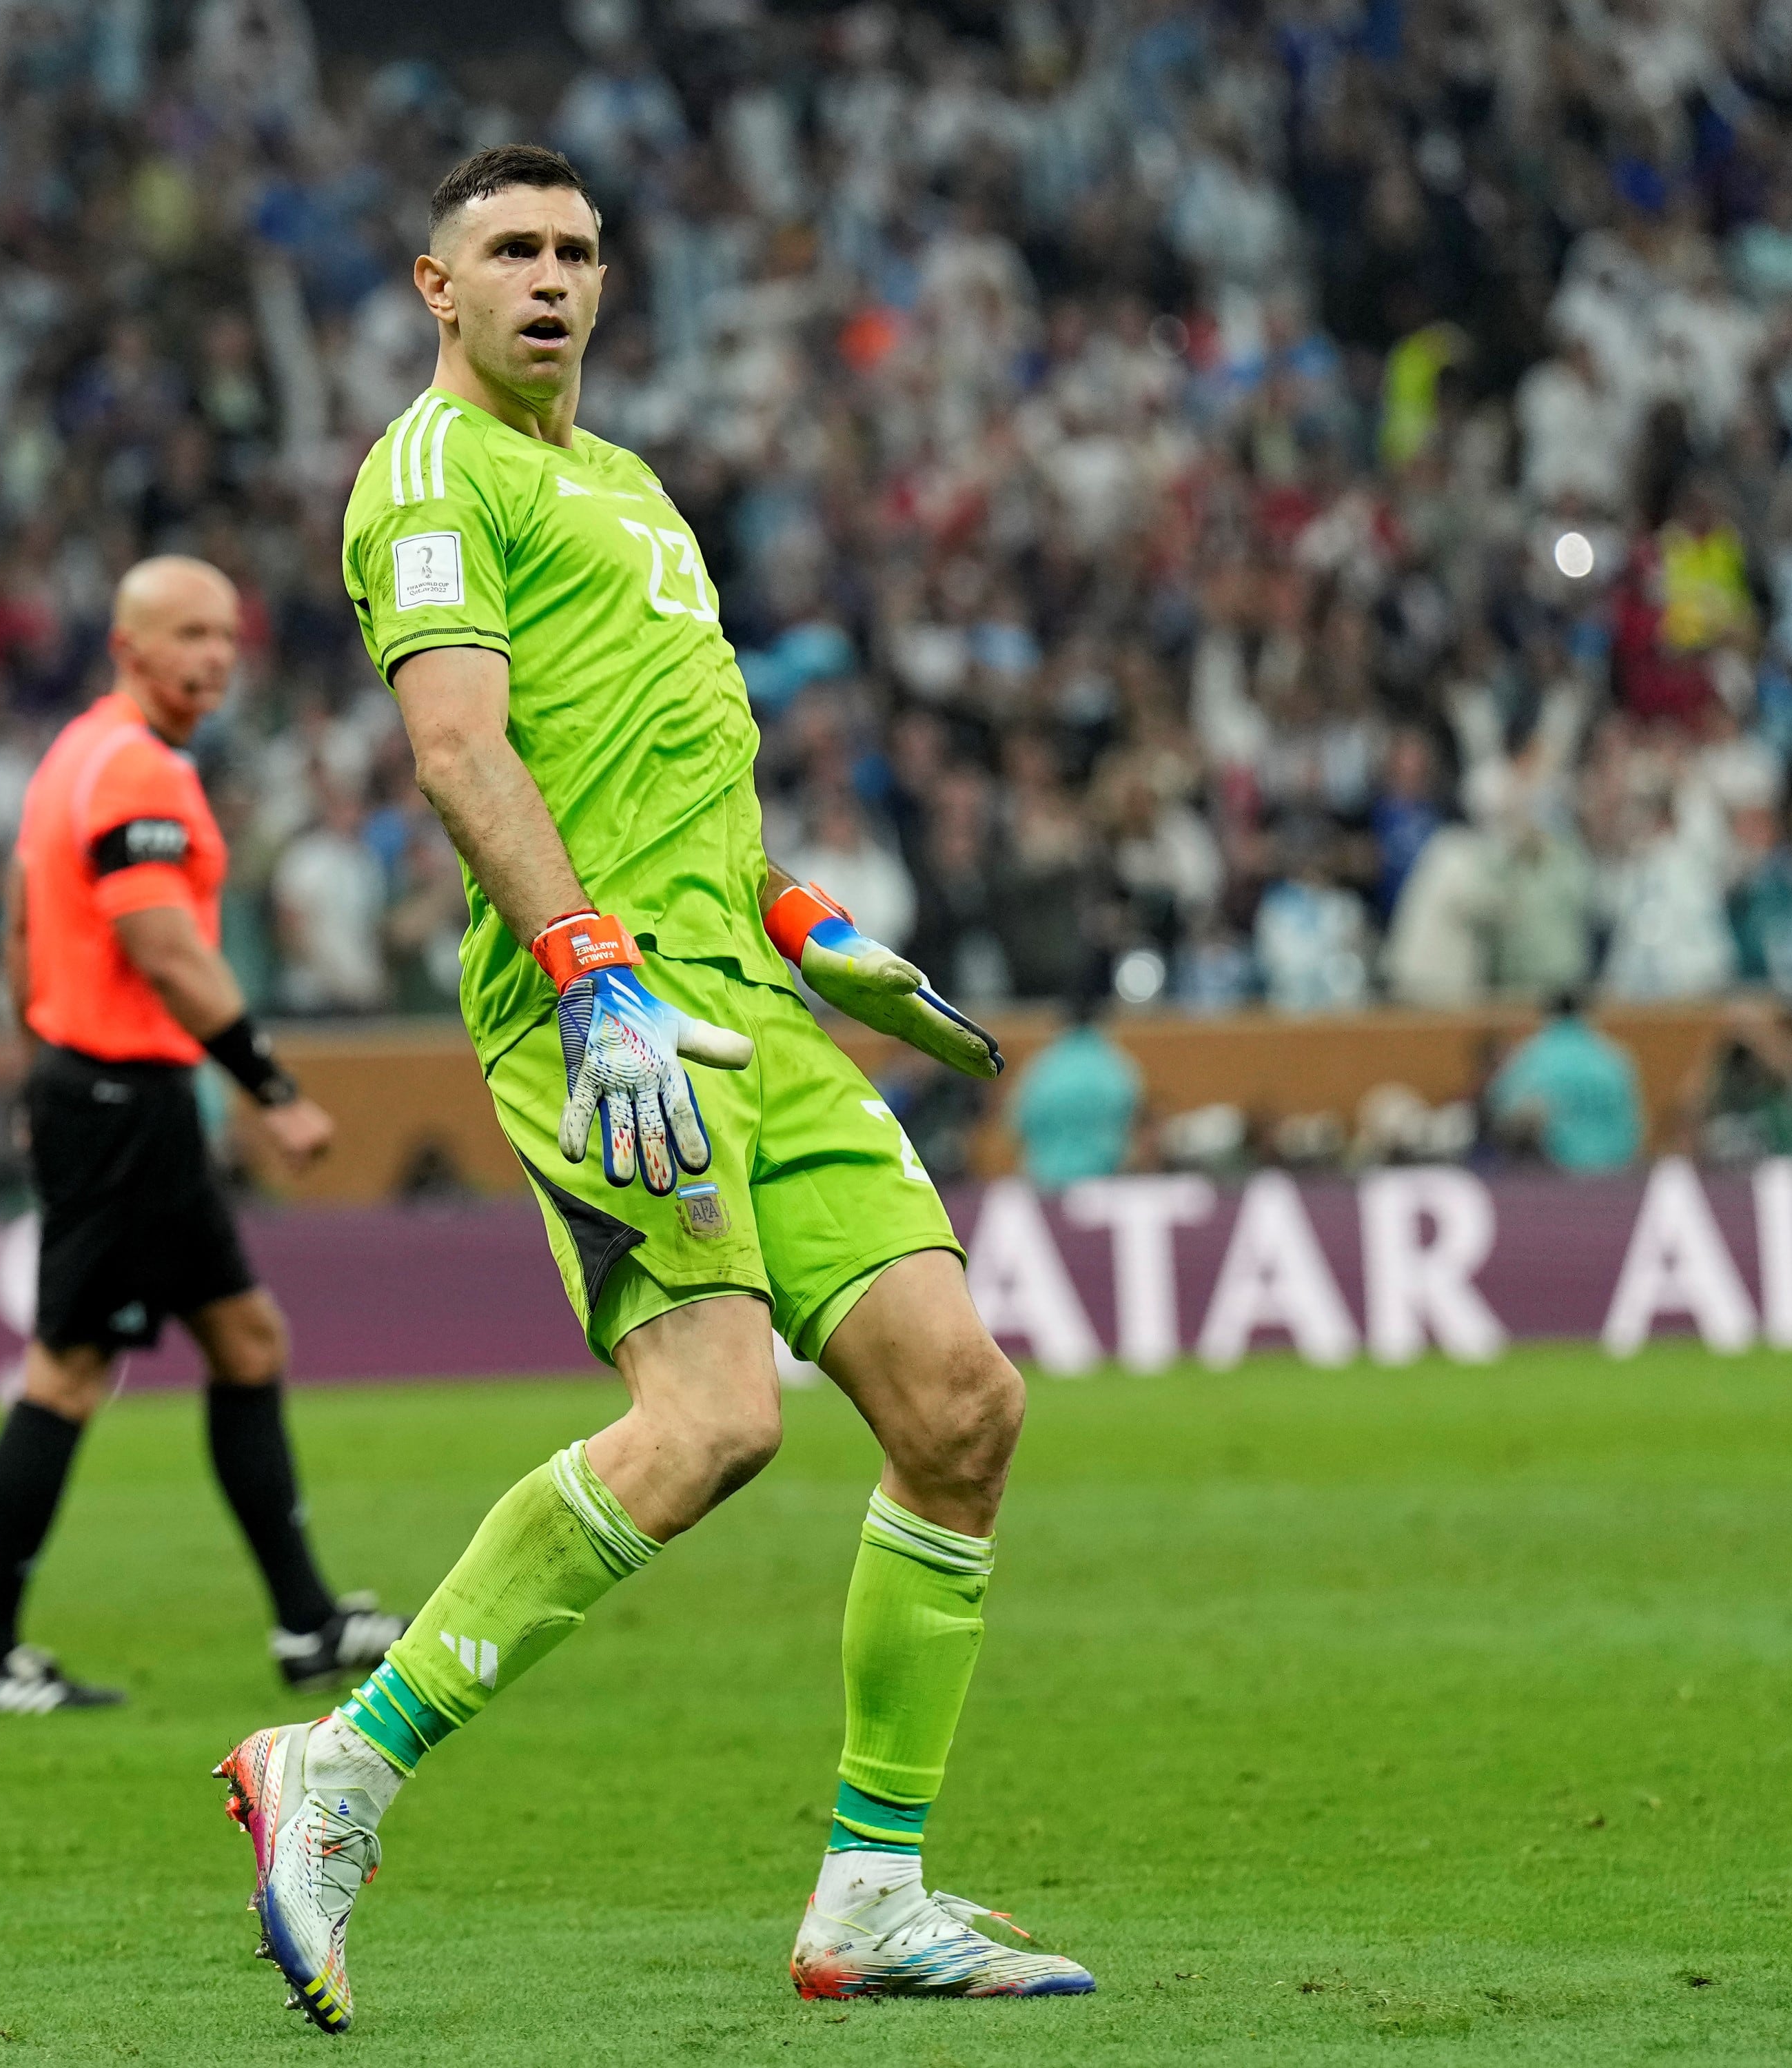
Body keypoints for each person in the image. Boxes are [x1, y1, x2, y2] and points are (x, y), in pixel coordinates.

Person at [216, 146, 1090, 2035]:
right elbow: (459, 754)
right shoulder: (427, 476)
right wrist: (587, 967)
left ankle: (871, 1892)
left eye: (576, 250)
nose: (548, 277)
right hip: (604, 1017)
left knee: (958, 1403)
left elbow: (664, 767)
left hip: (749, 1011)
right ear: (433, 288)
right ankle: (338, 1772)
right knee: (708, 1428)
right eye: (508, 251)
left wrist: (802, 916)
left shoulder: (628, 490)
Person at [0, 556, 407, 1716]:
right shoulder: (138, 774)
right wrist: (270, 1084)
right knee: (70, 1369)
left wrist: (35, 1048)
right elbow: (163, 948)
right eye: (188, 635)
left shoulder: (76, 758)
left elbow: (18, 925)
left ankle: (306, 1622)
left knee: (248, 1339)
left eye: (226, 638)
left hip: (100, 1090)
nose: (212, 658)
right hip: (119, 1100)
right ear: (128, 646)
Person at [1483, 990, 1642, 1173]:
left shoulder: (1533, 1057)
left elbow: (1499, 1109)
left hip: (1557, 1171)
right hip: (1617, 1166)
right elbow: (1635, 1121)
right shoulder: (1616, 1057)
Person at [1008, 988, 1142, 1192]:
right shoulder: (1117, 1068)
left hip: (1047, 1183)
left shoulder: (1041, 1068)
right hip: (1103, 1182)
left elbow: (1017, 1123)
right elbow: (1133, 1125)